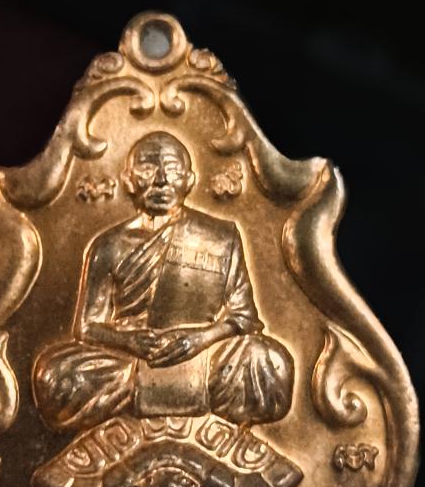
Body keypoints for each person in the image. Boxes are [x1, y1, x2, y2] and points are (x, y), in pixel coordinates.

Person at [33, 131, 293, 432]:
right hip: (130, 360)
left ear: (189, 180)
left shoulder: (222, 237)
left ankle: (163, 395)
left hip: (205, 355)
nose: (160, 181)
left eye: (172, 169)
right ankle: (158, 394)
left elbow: (243, 317)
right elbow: (88, 326)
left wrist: (199, 339)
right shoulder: (108, 245)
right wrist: (129, 341)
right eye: (147, 169)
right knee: (57, 376)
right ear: (129, 180)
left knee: (268, 362)